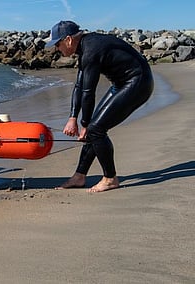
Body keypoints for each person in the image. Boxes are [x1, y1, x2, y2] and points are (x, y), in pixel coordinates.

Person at [45, 21, 154, 192]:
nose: (57, 49)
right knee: (94, 128)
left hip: (138, 82)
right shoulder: (84, 48)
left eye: (57, 44)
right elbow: (79, 87)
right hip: (121, 83)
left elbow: (89, 92)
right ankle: (79, 176)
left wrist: (85, 124)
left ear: (68, 40)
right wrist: (73, 118)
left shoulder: (90, 51)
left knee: (95, 129)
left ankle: (110, 178)